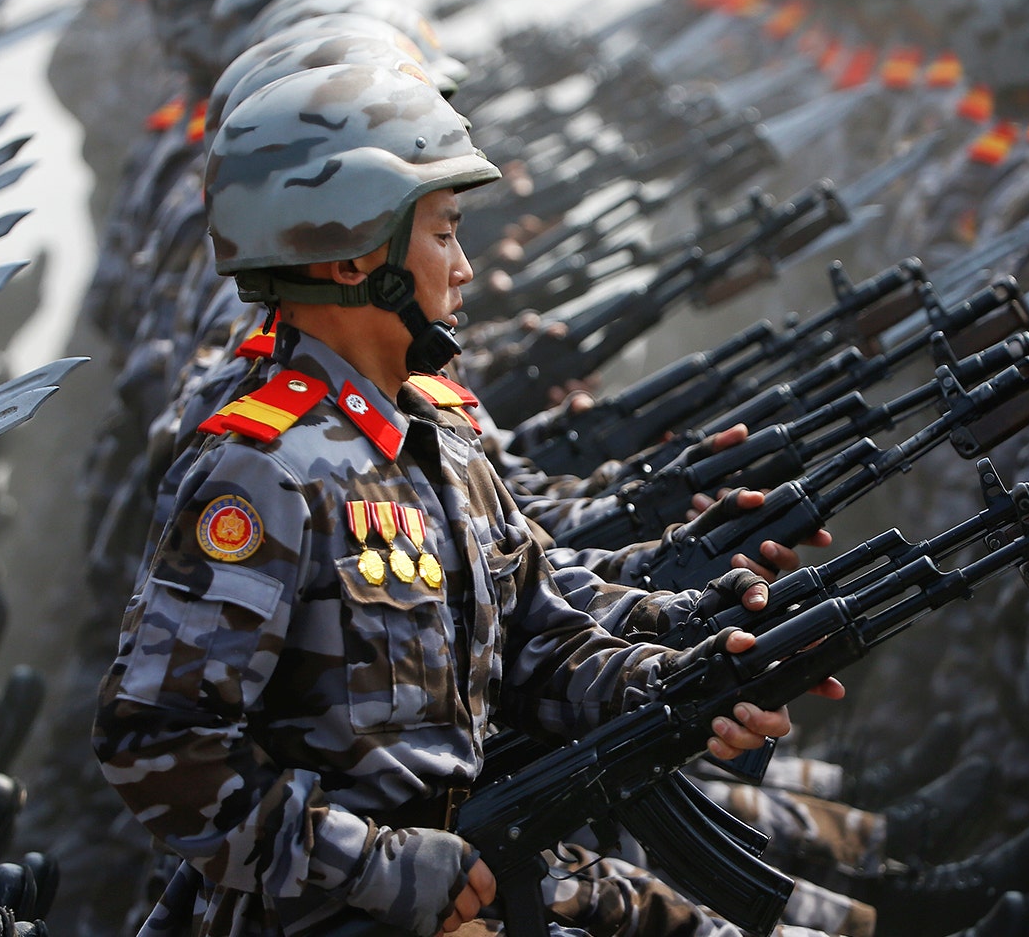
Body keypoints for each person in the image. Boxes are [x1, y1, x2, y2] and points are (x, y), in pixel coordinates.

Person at [95, 63, 838, 936]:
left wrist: (684, 685)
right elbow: (160, 743)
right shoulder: (264, 475)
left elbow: (539, 646)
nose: (467, 268)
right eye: (444, 235)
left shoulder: (436, 444)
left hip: (474, 885)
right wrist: (377, 867)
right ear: (350, 248)